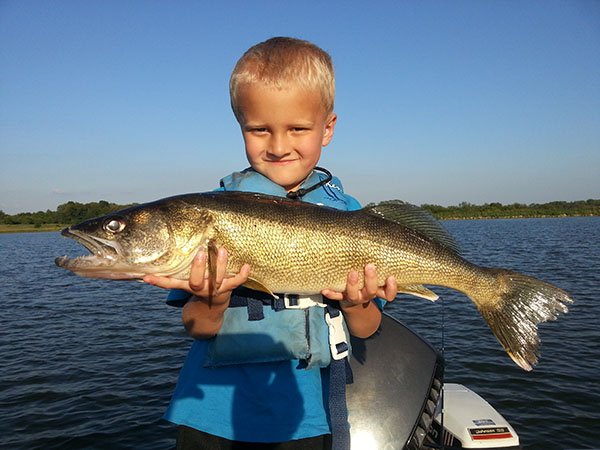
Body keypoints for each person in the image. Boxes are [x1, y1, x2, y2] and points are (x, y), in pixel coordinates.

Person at [144, 37, 398, 450]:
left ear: (328, 128)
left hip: (308, 418)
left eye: (297, 128)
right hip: (211, 415)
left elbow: (367, 328)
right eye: (259, 130)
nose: (278, 146)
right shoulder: (208, 215)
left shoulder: (354, 216)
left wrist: (357, 302)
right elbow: (197, 326)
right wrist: (211, 300)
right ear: (241, 128)